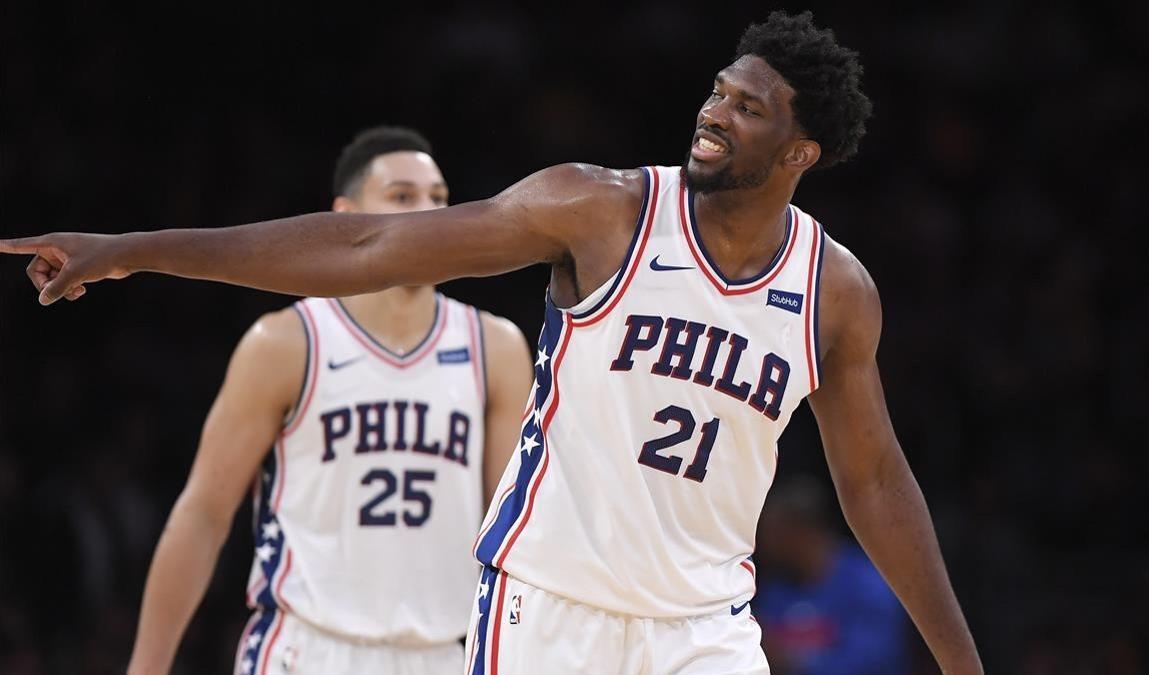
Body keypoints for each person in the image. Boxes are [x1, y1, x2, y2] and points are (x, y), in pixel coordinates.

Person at [2, 11, 984, 674]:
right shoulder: (600, 210)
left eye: (749, 107)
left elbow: (877, 484)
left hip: (704, 629)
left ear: (801, 152)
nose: (716, 111)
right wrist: (135, 251)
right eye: (720, 91)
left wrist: (961, 662)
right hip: (548, 609)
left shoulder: (835, 292)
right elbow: (370, 242)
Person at [122, 127, 533, 675]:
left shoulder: (495, 347)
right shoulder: (288, 342)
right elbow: (202, 514)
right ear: (345, 216)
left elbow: (511, 535)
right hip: (306, 647)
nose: (430, 213)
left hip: (440, 653)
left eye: (439, 199)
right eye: (403, 196)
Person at [755, 477, 909, 674]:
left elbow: (871, 661)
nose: (764, 543)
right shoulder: (775, 586)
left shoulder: (866, 582)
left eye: (774, 533)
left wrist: (790, 660)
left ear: (801, 532)